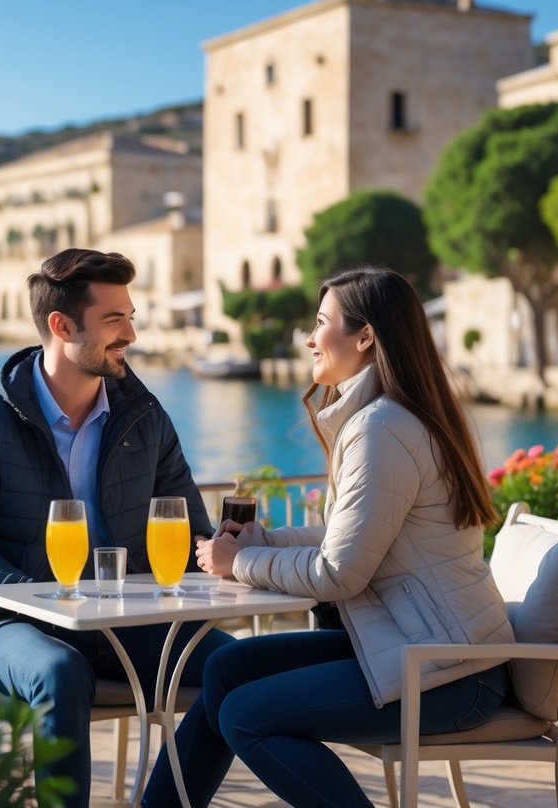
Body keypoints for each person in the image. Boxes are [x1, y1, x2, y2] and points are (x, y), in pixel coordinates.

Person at [143, 266, 515, 808]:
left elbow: (339, 573)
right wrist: (262, 543)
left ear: (366, 337)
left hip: (449, 674)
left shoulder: (381, 429)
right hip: (413, 647)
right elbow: (348, 536)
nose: (311, 339)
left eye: (321, 324)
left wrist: (239, 561)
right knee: (225, 669)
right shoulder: (386, 419)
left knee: (246, 717)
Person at [0, 248, 233, 807]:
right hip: (13, 627)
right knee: (61, 673)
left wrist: (229, 552)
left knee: (237, 668)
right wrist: (39, 600)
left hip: (125, 623)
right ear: (60, 325)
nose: (131, 335)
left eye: (131, 317)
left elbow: (192, 532)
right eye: (114, 320)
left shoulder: (146, 417)